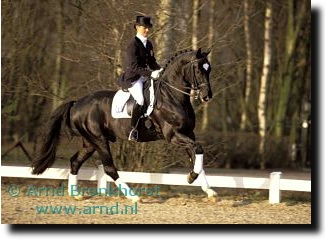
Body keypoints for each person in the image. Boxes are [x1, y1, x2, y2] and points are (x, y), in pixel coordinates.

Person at [117, 15, 163, 141]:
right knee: (141, 99)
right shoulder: (132, 45)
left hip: (145, 76)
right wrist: (150, 74)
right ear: (137, 27)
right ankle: (134, 130)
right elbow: (133, 66)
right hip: (133, 78)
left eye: (148, 28)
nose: (147, 30)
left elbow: (152, 62)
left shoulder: (148, 44)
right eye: (144, 27)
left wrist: (160, 70)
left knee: (155, 93)